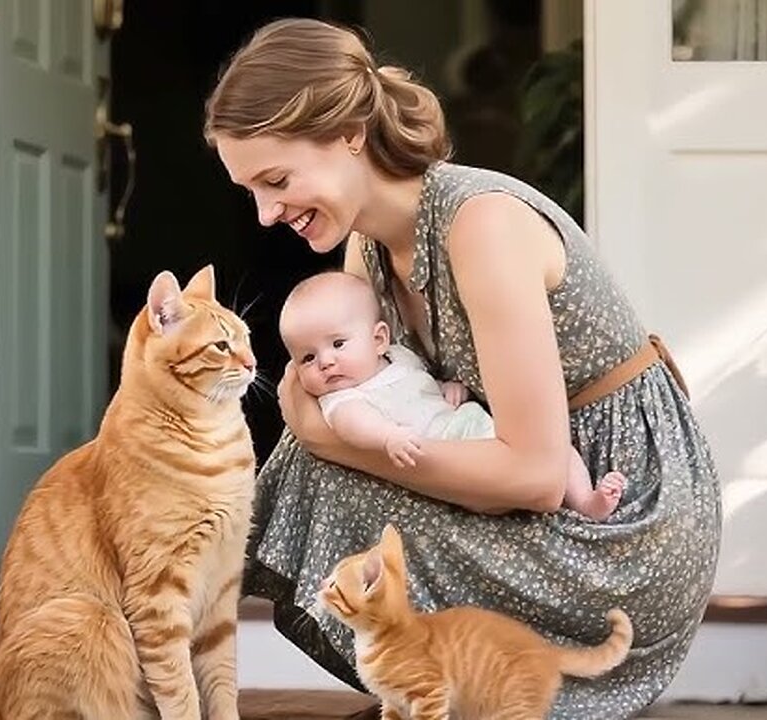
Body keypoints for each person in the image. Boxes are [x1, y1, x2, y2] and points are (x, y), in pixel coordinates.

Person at [203, 17, 721, 719]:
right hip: (523, 475)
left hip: (614, 512)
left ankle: (474, 684)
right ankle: (435, 685)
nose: (266, 214)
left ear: (349, 133)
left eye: (277, 179)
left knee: (319, 456)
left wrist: (334, 438)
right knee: (321, 450)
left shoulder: (479, 226)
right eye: (250, 192)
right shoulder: (369, 251)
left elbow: (538, 478)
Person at [280, 270, 626, 520]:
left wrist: (446, 389)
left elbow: (420, 384)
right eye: (307, 358)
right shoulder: (342, 399)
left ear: (379, 339)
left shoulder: (398, 357)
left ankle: (585, 502)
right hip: (447, 454)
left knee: (555, 448)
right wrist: (388, 437)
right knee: (505, 483)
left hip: (466, 425)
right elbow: (352, 425)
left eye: (338, 344)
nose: (325, 361)